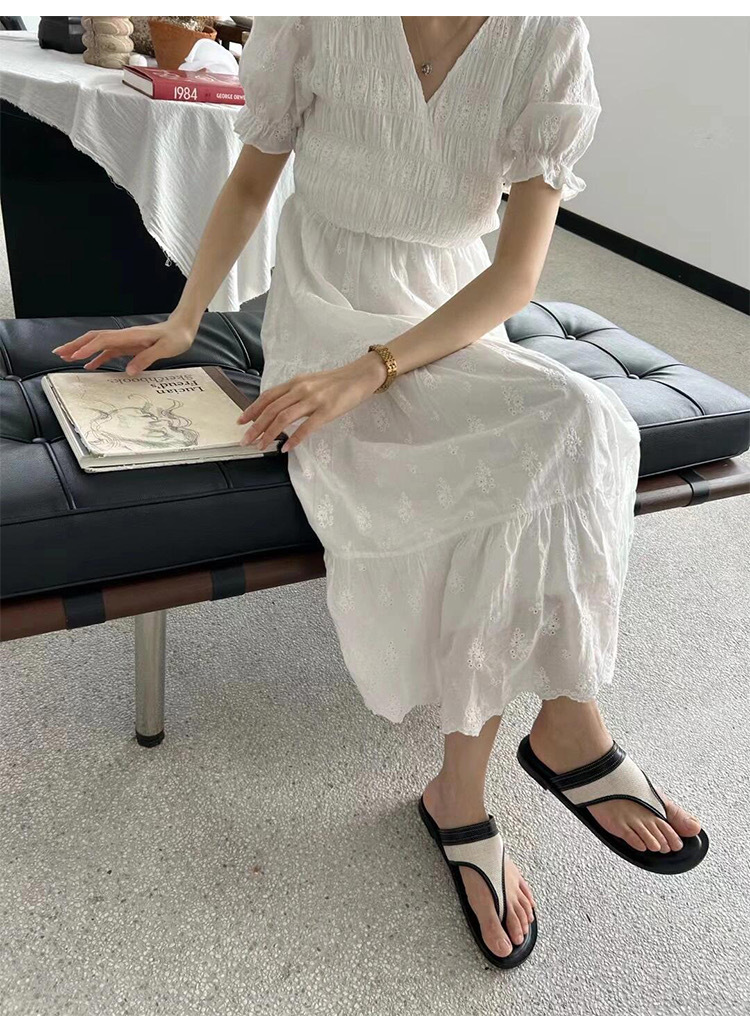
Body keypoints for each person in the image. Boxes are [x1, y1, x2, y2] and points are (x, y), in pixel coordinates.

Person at [53, 16, 708, 969]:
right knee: (522, 462)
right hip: (325, 314)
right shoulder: (317, 19)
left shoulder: (545, 36)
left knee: (588, 422)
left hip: (448, 319)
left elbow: (515, 276)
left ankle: (547, 729)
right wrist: (187, 318)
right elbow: (252, 180)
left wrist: (379, 368)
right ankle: (495, 775)